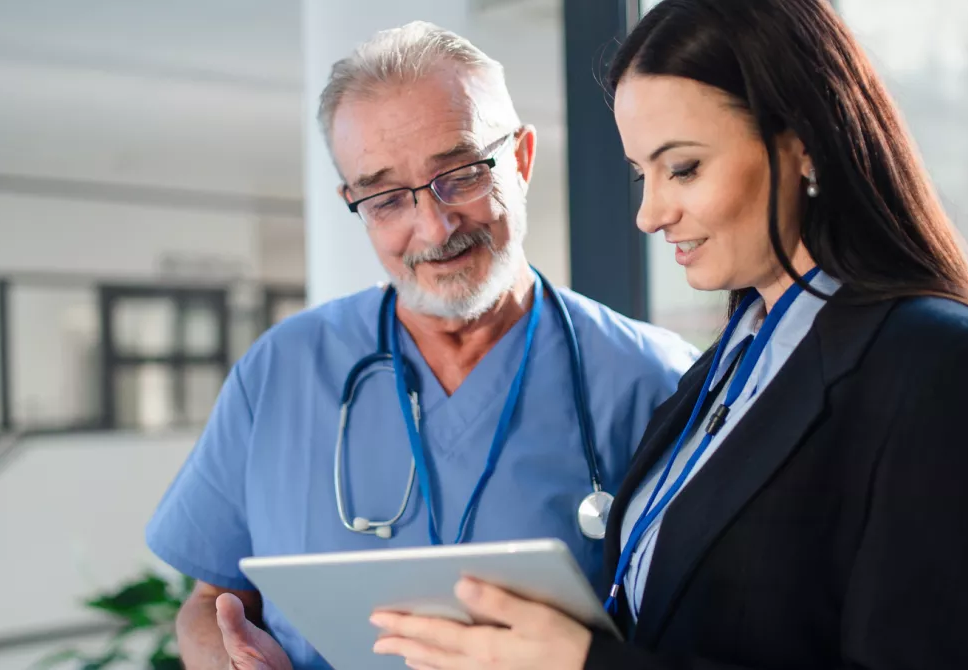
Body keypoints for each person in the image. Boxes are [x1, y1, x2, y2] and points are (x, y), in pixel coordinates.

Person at [369, 1, 968, 668]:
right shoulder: (727, 369)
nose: (649, 214)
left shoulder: (959, 376)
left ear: (804, 145)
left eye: (683, 168)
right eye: (641, 174)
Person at [143, 21, 699, 670]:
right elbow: (211, 599)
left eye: (459, 175)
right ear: (354, 202)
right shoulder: (278, 374)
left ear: (519, 159)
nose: (432, 227)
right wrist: (221, 656)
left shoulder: (652, 381)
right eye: (385, 199)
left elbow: (702, 626)